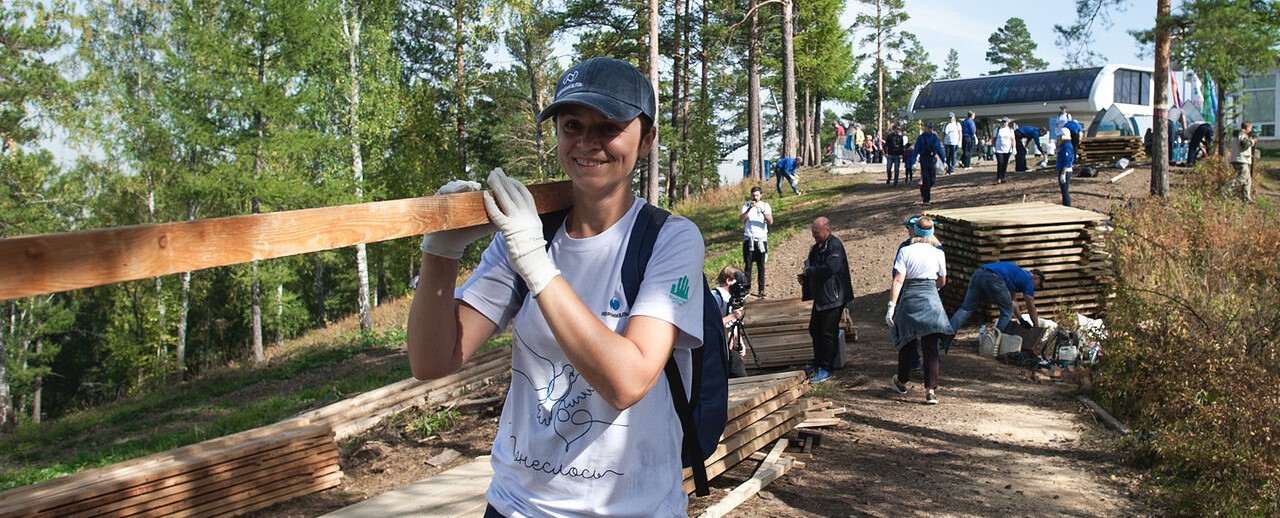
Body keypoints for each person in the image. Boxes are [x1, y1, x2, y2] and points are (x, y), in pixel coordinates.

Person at [407, 56, 703, 517]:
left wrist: (535, 262)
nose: (588, 143)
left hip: (632, 508)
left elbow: (627, 381)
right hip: (516, 505)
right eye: (572, 126)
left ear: (646, 139)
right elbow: (431, 360)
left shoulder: (668, 239)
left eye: (608, 127)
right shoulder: (530, 233)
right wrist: (440, 254)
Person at [885, 216, 952, 405]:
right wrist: (933, 289)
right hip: (931, 299)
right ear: (932, 233)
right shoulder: (938, 252)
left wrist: (891, 307)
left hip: (910, 298)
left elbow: (898, 280)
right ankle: (930, 390)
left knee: (907, 341)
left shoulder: (905, 251)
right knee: (931, 347)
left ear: (914, 230)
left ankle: (902, 381)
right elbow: (942, 280)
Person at [797, 217, 853, 384]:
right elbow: (812, 267)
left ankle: (827, 368)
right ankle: (817, 362)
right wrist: (805, 278)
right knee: (815, 329)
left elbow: (830, 268)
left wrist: (810, 272)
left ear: (827, 231)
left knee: (828, 333)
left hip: (834, 297)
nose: (814, 236)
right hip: (822, 297)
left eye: (817, 233)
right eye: (813, 232)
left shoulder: (834, 246)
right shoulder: (816, 248)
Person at [947, 261, 1044, 342]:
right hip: (994, 277)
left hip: (980, 273)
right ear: (1036, 277)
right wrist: (1036, 327)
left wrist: (1021, 320)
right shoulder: (1028, 280)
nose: (1037, 288)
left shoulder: (1018, 275)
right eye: (1038, 285)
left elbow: (1012, 301)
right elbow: (1031, 308)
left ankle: (946, 337)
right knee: (1006, 313)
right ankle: (993, 342)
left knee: (965, 308)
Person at [711, 265, 748, 378]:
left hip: (729, 345)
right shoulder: (715, 297)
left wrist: (740, 342)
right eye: (737, 282)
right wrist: (732, 316)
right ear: (728, 281)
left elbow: (732, 325)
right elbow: (711, 324)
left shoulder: (731, 298)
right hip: (716, 346)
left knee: (740, 376)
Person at [740, 186, 773, 298]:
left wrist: (761, 210)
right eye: (753, 195)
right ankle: (746, 289)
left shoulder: (765, 205)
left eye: (757, 195)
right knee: (748, 266)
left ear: (761, 195)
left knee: (761, 266)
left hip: (761, 240)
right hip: (749, 238)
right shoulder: (746, 205)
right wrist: (750, 209)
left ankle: (761, 290)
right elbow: (741, 219)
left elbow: (770, 221)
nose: (755, 197)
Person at [913, 121, 946, 205]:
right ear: (925, 128)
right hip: (924, 159)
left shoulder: (934, 137)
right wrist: (913, 162)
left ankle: (923, 189)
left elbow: (939, 149)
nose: (929, 129)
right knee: (926, 179)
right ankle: (926, 199)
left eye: (931, 128)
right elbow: (916, 149)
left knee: (932, 180)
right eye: (928, 128)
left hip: (932, 159)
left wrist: (944, 161)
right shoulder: (921, 138)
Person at [1227, 121, 1257, 201]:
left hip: (1240, 159)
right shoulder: (1242, 134)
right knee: (1242, 178)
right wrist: (1253, 141)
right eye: (1250, 128)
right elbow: (1244, 145)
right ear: (1247, 128)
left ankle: (1246, 197)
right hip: (1240, 160)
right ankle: (1226, 189)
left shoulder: (1239, 134)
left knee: (1248, 180)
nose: (1250, 130)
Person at [1056, 120, 1078, 206]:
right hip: (1062, 169)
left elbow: (1068, 159)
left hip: (1066, 170)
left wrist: (1063, 172)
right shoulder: (1063, 145)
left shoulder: (1067, 146)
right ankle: (1065, 205)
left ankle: (1068, 206)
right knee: (1063, 190)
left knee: (1065, 191)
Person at [991, 117, 1015, 184]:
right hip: (999, 149)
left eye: (1005, 122)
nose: (1004, 123)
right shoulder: (998, 129)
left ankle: (1003, 177)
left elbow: (1013, 140)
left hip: (1007, 149)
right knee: (1000, 163)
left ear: (1008, 123)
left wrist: (1014, 148)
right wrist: (993, 147)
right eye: (1003, 122)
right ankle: (998, 177)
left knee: (1005, 163)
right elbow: (993, 139)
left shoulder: (1010, 130)